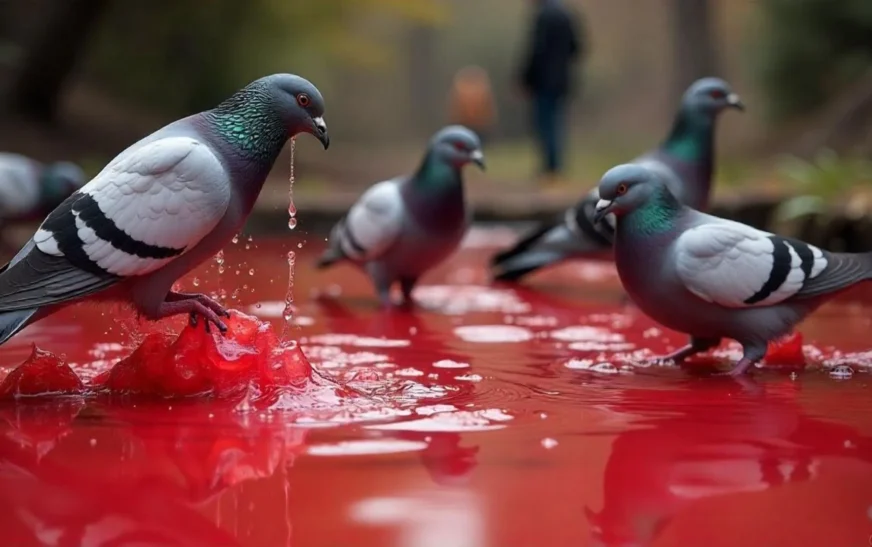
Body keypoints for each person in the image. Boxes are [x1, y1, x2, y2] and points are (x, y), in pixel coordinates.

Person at [517, 0, 584, 184]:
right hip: (562, 81)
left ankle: (550, 168)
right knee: (557, 122)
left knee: (545, 123)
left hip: (543, 80)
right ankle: (556, 167)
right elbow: (577, 48)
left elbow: (536, 50)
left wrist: (525, 78)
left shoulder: (543, 15)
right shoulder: (567, 14)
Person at [447, 65, 498, 145]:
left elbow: (488, 109)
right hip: (466, 124)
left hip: (478, 125)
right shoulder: (463, 90)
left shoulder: (480, 91)